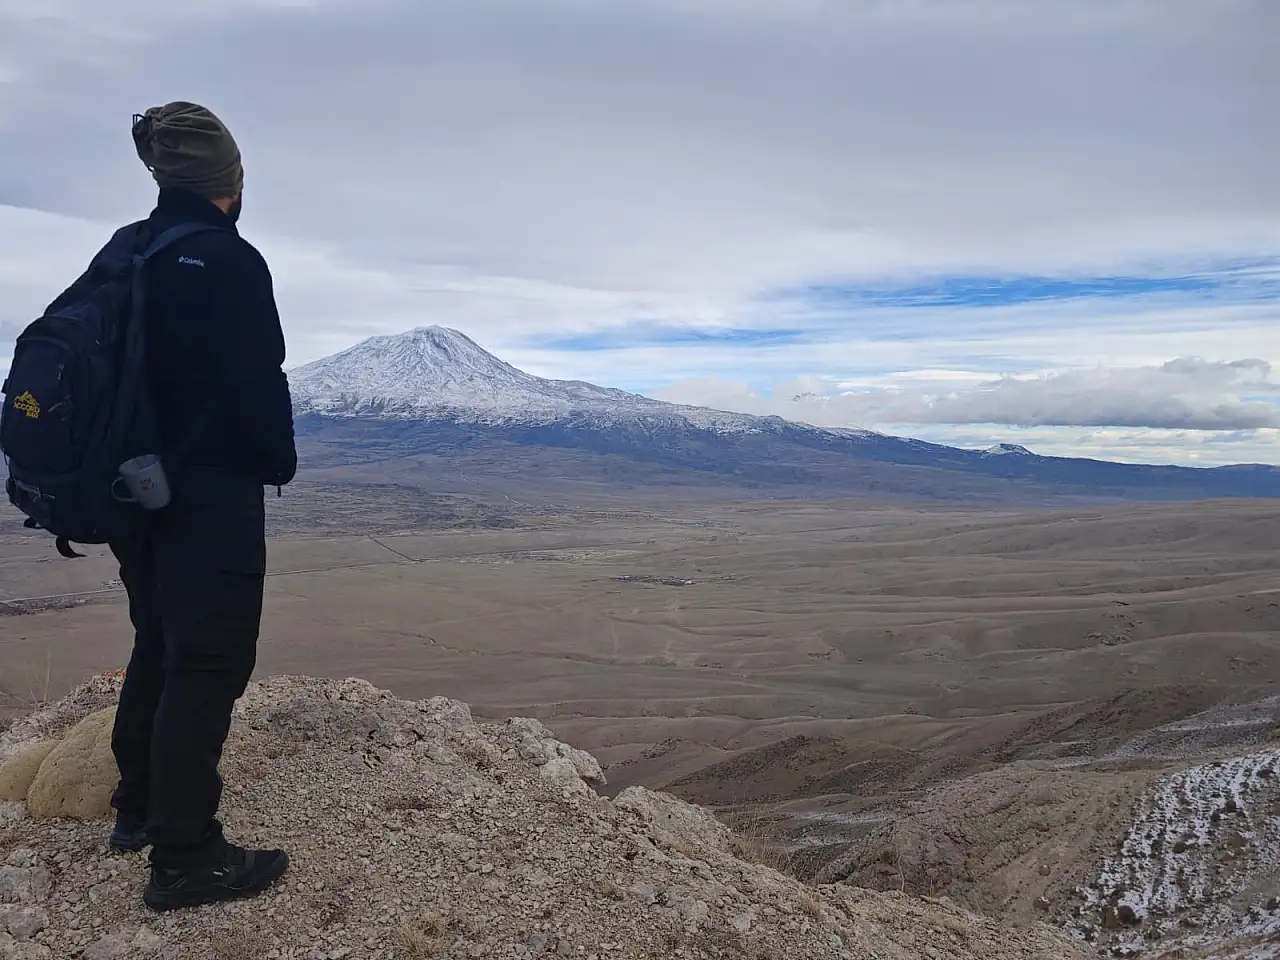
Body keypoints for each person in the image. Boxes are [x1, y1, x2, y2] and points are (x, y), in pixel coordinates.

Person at [106, 101, 297, 911]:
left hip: (128, 492)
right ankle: (186, 859)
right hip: (208, 496)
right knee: (210, 662)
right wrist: (275, 462)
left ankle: (138, 811)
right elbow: (258, 386)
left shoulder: (127, 251)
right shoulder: (228, 260)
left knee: (159, 637)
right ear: (231, 183)